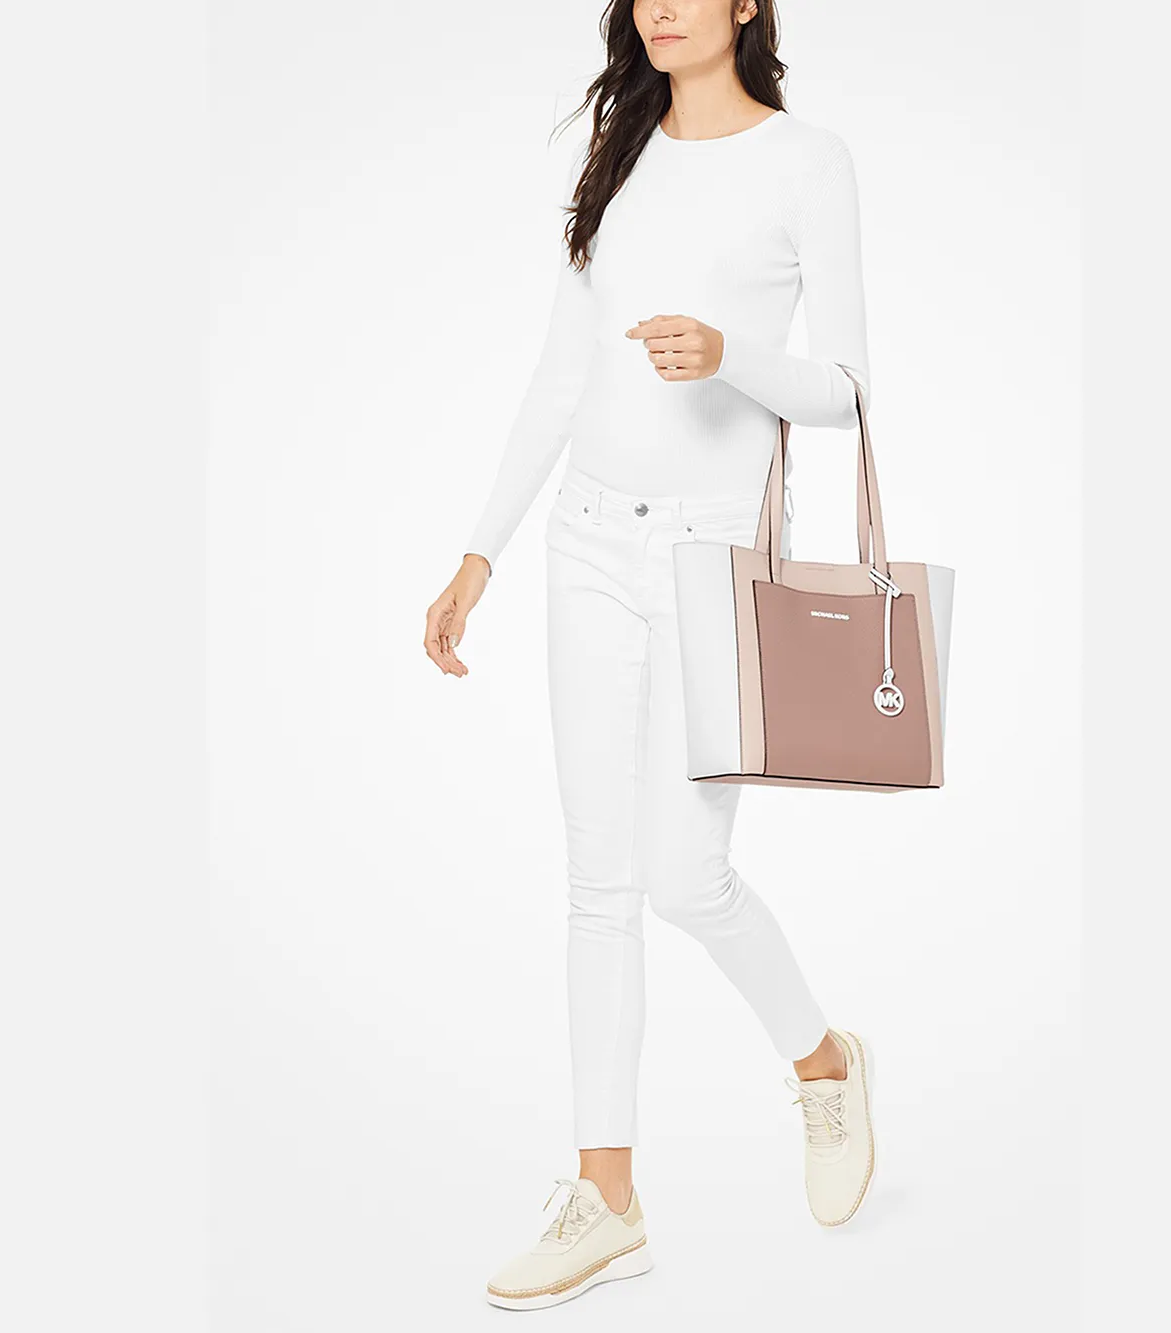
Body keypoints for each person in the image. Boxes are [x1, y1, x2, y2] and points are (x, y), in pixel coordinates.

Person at [422, 1, 877, 1309]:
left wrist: (732, 358)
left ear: (748, 4)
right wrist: (480, 550)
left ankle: (825, 1066)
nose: (659, 6)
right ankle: (607, 1199)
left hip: (713, 555)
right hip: (584, 541)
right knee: (598, 881)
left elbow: (846, 391)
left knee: (686, 875)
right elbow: (561, 373)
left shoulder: (808, 161)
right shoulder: (620, 150)